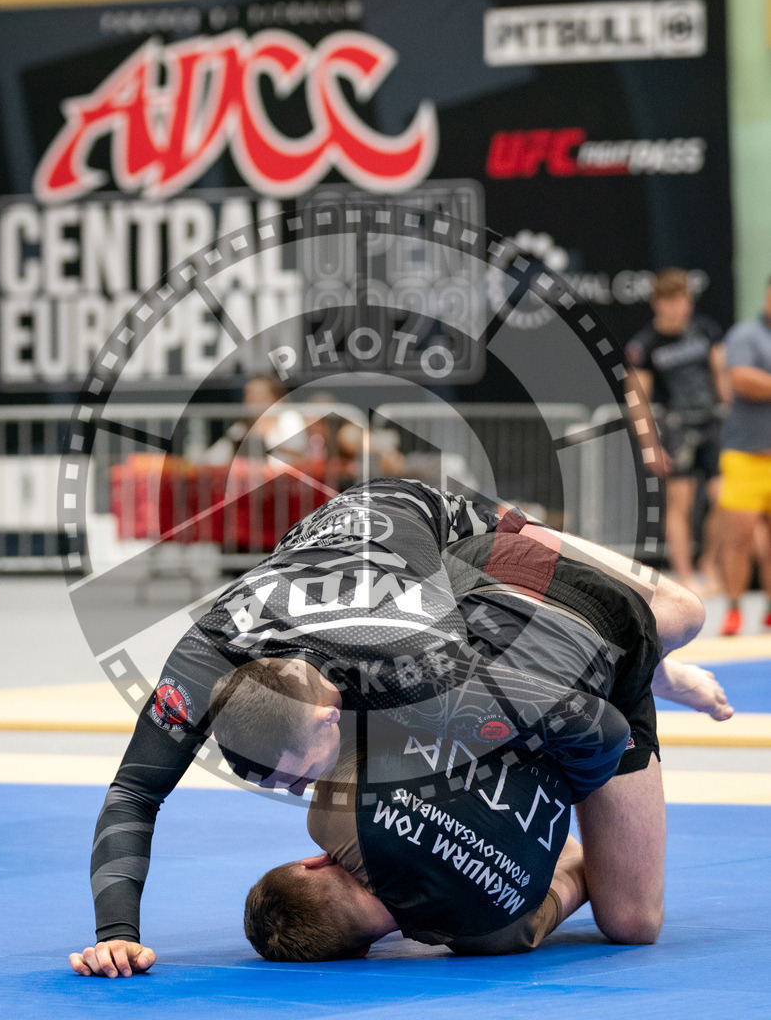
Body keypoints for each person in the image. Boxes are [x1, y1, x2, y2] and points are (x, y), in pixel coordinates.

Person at [70, 479, 728, 976]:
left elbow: (592, 724)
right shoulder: (202, 656)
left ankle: (661, 663)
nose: (308, 793)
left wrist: (564, 790)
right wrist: (114, 931)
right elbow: (134, 792)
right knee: (631, 920)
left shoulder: (419, 665)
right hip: (355, 575)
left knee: (681, 611)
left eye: (303, 776)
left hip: (453, 532)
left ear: (331, 716)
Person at [242, 527, 732, 961]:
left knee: (631, 921)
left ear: (367, 948)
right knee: (684, 614)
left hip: (542, 630)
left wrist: (556, 794)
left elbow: (584, 859)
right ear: (315, 860)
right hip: (499, 582)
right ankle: (632, 649)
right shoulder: (331, 812)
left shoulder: (497, 934)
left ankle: (641, 660)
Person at [626, 268, 728, 593]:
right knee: (679, 503)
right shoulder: (645, 345)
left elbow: (722, 378)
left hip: (711, 424)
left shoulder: (705, 331)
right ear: (657, 303)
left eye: (682, 300)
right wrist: (650, 444)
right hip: (676, 429)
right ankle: (685, 577)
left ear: (689, 301)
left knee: (724, 499)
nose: (677, 307)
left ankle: (708, 562)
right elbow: (636, 400)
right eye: (669, 301)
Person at [717, 277, 771, 635]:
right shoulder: (747, 334)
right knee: (741, 536)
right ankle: (734, 609)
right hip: (745, 454)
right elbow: (740, 380)